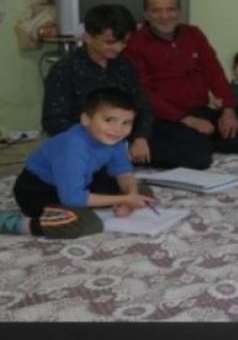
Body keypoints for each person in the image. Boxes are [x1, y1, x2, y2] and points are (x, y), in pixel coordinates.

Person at [124, 0, 238, 169]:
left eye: (170, 9)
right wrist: (187, 120)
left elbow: (213, 71)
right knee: (198, 159)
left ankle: (197, 142)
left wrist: (228, 108)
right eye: (157, 11)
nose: (165, 16)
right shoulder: (135, 43)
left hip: (198, 110)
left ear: (179, 12)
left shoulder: (193, 34)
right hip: (164, 117)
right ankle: (190, 144)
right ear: (146, 15)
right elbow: (143, 92)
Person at [0, 87, 154, 238]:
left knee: (141, 190)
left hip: (81, 182)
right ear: (86, 119)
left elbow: (122, 171)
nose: (118, 129)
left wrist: (131, 196)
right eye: (109, 120)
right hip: (40, 192)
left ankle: (115, 200)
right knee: (86, 223)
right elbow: (72, 198)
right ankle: (16, 224)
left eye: (126, 123)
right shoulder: (72, 146)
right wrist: (124, 199)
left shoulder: (115, 140)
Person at [41, 4, 155, 166]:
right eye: (110, 42)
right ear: (87, 37)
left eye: (124, 42)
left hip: (122, 137)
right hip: (84, 143)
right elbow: (54, 121)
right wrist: (103, 143)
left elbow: (142, 106)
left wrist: (140, 138)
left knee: (179, 152)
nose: (118, 48)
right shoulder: (65, 68)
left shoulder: (125, 65)